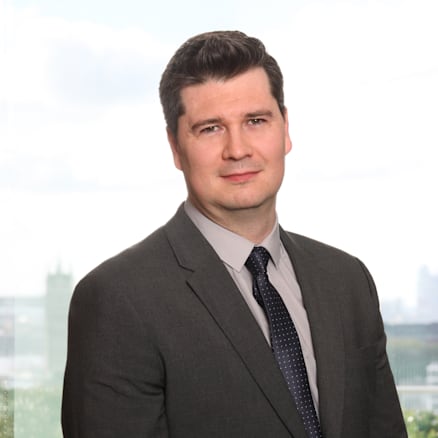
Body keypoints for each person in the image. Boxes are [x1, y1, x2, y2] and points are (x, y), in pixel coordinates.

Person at [61, 30, 407, 437]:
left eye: (256, 121)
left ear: (285, 128)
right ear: (175, 146)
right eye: (210, 128)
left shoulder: (348, 280)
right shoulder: (117, 299)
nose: (238, 149)